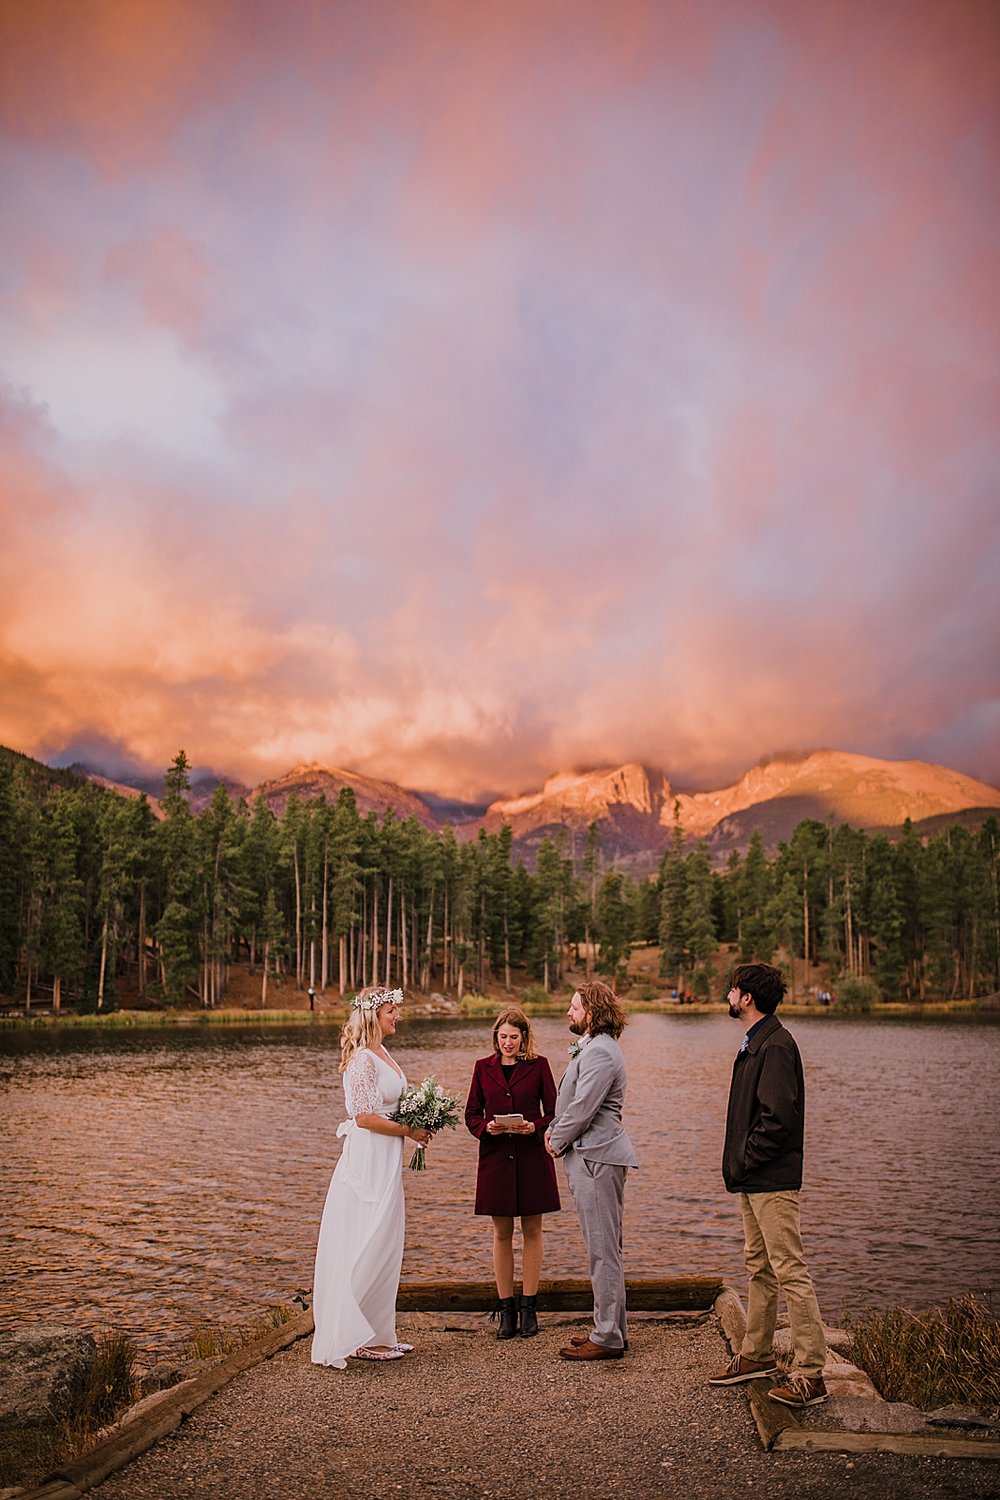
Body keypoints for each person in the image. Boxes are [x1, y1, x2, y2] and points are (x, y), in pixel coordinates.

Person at [709, 962, 829, 1407]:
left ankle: (811, 1373)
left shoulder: (775, 1045)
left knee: (790, 1271)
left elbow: (779, 1119)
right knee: (759, 1267)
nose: (728, 995)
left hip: (771, 1180)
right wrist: (742, 1168)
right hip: (753, 1180)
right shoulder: (754, 1043)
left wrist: (745, 1159)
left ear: (747, 998)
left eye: (732, 989)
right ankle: (756, 1354)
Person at [311, 986, 430, 1369]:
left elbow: (389, 1105)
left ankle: (379, 1333)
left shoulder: (383, 1053)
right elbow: (364, 1117)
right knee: (370, 1236)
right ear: (373, 1015)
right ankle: (356, 1335)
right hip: (368, 1158)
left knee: (387, 1239)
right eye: (392, 1011)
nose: (398, 1016)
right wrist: (409, 1131)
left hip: (385, 1157)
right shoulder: (362, 1059)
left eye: (397, 1011)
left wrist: (419, 1118)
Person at [546, 981, 638, 1361]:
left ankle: (607, 1336)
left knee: (603, 1250)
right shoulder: (595, 1048)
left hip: (596, 1158)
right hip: (593, 1157)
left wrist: (555, 1139)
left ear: (592, 1013)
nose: (569, 1012)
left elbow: (583, 1108)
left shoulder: (600, 1052)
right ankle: (611, 1330)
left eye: (574, 1007)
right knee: (605, 1248)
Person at [465, 1007, 561, 1339]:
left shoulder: (539, 1066)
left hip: (531, 1156)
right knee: (501, 1234)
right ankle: (506, 1311)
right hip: (495, 1159)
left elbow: (555, 1112)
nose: (508, 1043)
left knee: (533, 1231)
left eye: (514, 1037)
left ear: (524, 1038)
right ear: (496, 1037)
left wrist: (533, 1126)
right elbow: (471, 1113)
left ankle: (529, 1309)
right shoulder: (482, 1068)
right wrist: (486, 1128)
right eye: (503, 1037)